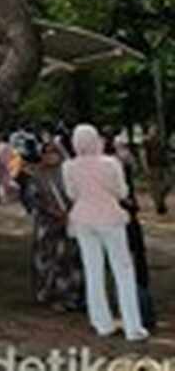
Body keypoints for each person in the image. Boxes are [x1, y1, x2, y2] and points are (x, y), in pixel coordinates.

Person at [62, 124, 148, 341]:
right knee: (123, 271)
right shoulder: (110, 163)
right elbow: (121, 192)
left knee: (93, 271)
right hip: (110, 219)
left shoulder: (69, 167)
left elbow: (71, 194)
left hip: (82, 219)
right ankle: (133, 326)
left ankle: (102, 323)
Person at [21, 141, 83, 311]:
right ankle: (47, 293)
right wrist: (52, 211)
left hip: (69, 222)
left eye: (54, 152)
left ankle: (69, 295)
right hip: (47, 224)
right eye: (47, 152)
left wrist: (69, 213)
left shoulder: (69, 174)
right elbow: (32, 199)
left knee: (68, 259)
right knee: (46, 259)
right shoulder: (37, 175)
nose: (50, 156)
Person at [107, 140, 157, 329]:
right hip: (126, 222)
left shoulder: (112, 171)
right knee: (134, 270)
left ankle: (139, 315)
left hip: (120, 224)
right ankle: (142, 314)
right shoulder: (120, 167)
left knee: (128, 271)